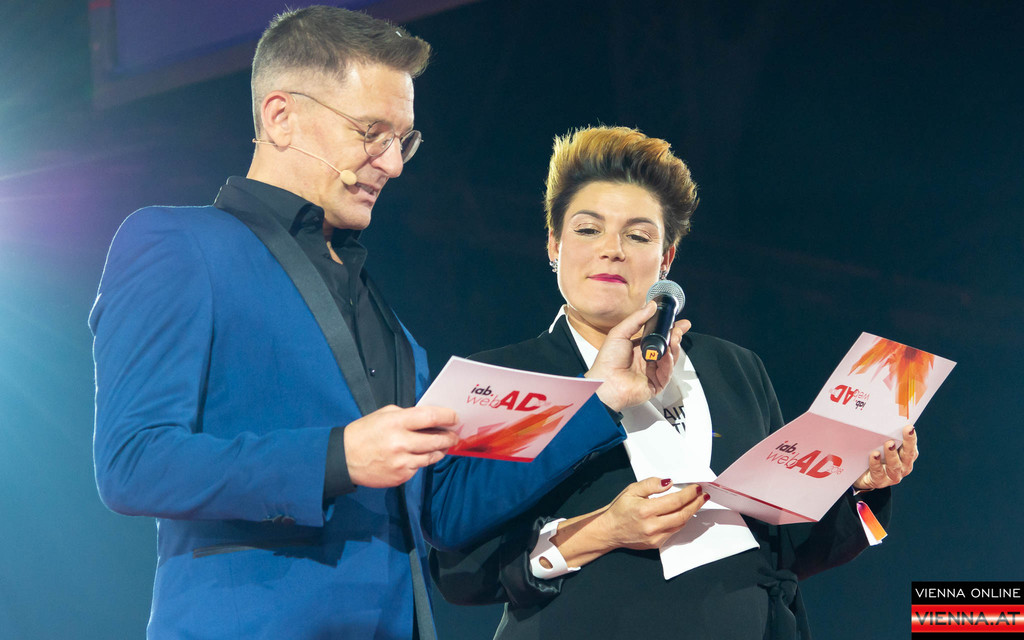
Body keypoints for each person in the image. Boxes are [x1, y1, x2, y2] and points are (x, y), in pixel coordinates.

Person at [423, 126, 917, 639]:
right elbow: (461, 571)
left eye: (638, 236)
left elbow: (783, 549)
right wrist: (602, 530)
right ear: (553, 244)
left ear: (666, 260)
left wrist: (858, 485)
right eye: (588, 229)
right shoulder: (502, 378)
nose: (612, 250)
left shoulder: (734, 368)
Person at [89, 7, 460, 639]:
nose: (394, 163)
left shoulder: (387, 318)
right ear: (281, 117)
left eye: (404, 140)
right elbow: (132, 461)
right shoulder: (177, 243)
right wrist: (335, 457)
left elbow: (432, 508)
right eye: (372, 132)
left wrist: (600, 400)